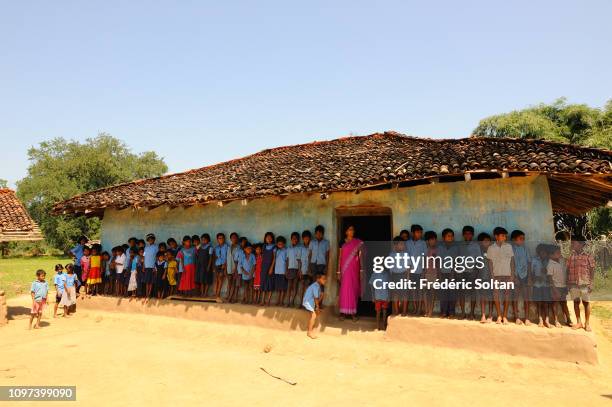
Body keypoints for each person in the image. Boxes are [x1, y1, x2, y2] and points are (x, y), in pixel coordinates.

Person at [567, 237, 596, 332]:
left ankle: (587, 323)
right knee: (576, 302)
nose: (572, 245)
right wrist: (568, 283)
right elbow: (567, 270)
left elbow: (592, 270)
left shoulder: (588, 256)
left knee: (586, 303)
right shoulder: (571, 256)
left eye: (574, 243)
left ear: (580, 244)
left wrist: (591, 283)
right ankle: (579, 322)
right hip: (573, 284)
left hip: (584, 284)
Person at [487, 227, 514, 324]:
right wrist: (492, 276)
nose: (504, 237)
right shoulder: (491, 248)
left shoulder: (509, 247)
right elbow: (489, 263)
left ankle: (505, 316)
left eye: (505, 236)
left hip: (507, 274)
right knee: (496, 294)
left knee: (507, 294)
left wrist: (512, 275)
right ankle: (499, 315)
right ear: (496, 236)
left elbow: (512, 262)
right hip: (496, 274)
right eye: (502, 235)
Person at [337, 225, 364, 322]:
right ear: (346, 232)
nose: (352, 231)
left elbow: (360, 257)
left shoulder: (358, 242)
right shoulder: (342, 243)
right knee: (344, 290)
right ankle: (343, 313)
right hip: (344, 270)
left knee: (353, 290)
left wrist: (361, 270)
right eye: (349, 229)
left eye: (353, 229)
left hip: (354, 269)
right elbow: (340, 257)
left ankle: (353, 313)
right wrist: (338, 271)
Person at [459, 226, 481, 320]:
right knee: (461, 293)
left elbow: (478, 260)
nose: (468, 235)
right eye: (466, 233)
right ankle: (463, 313)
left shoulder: (476, 246)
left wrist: (475, 272)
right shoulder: (460, 245)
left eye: (470, 233)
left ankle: (471, 313)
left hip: (472, 272)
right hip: (461, 272)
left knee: (472, 293)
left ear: (472, 235)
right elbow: (457, 259)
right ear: (463, 235)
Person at [547, 245, 571, 327]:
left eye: (559, 252)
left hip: (563, 286)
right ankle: (556, 320)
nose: (559, 253)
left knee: (564, 303)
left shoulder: (562, 261)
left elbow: (567, 269)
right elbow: (550, 279)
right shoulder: (550, 264)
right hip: (555, 287)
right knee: (555, 304)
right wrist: (554, 290)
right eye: (557, 253)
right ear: (551, 255)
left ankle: (568, 319)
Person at [511, 230, 531, 325]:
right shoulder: (511, 249)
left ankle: (527, 318)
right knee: (515, 296)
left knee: (526, 297)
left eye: (523, 239)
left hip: (525, 275)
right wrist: (514, 277)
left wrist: (530, 277)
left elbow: (529, 263)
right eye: (520, 239)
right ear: (514, 240)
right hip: (515, 276)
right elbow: (510, 264)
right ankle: (517, 317)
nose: (522, 240)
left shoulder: (525, 249)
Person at [438, 229, 459, 318]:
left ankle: (451, 312)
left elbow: (457, 261)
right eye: (448, 236)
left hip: (452, 273)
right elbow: (438, 260)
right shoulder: (439, 247)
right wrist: (439, 272)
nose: (450, 237)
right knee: (443, 293)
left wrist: (453, 272)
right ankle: (443, 311)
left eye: (452, 236)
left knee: (452, 293)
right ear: (443, 238)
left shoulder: (455, 247)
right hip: (442, 273)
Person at [406, 224, 427, 315]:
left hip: (420, 271)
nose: (420, 234)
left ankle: (419, 309)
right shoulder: (407, 243)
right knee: (413, 291)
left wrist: (424, 271)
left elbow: (425, 257)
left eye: (421, 232)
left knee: (420, 291)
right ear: (413, 233)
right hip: (410, 271)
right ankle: (415, 308)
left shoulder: (423, 243)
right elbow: (405, 256)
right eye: (418, 232)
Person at [531, 243, 551, 328]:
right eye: (541, 252)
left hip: (546, 284)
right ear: (538, 252)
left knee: (546, 303)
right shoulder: (535, 260)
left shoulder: (549, 261)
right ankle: (540, 319)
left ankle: (547, 319)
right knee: (539, 303)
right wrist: (536, 278)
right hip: (537, 284)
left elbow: (552, 273)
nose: (543, 254)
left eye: (545, 252)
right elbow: (531, 273)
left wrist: (546, 272)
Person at [302, 274, 327, 339]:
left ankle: (310, 329)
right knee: (314, 315)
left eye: (325, 279)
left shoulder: (318, 286)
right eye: (323, 279)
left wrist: (321, 297)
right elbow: (316, 299)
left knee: (321, 295)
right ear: (318, 279)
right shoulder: (315, 286)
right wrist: (317, 307)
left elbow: (317, 299)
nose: (325, 280)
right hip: (307, 302)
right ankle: (309, 332)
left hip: (311, 302)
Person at [388, 236, 408, 316]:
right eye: (401, 244)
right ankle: (396, 310)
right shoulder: (391, 255)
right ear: (395, 245)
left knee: (404, 294)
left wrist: (408, 277)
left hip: (403, 275)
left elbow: (408, 267)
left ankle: (404, 311)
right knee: (395, 294)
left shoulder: (406, 254)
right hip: (394, 276)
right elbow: (390, 267)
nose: (403, 246)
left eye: (403, 244)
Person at [477, 233, 494, 323]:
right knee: (483, 296)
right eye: (485, 241)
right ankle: (483, 314)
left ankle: (490, 315)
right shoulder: (478, 252)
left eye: (488, 241)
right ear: (480, 243)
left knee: (490, 296)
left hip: (491, 277)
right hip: (481, 276)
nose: (487, 243)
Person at [423, 231, 438, 317]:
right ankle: (426, 310)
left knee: (432, 293)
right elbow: (424, 264)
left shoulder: (436, 250)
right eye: (432, 239)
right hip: (426, 274)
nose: (434, 241)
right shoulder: (425, 250)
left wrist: (438, 276)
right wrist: (423, 274)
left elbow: (438, 264)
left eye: (435, 239)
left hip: (434, 274)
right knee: (425, 292)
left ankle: (430, 311)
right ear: (427, 241)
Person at [285, 232, 301, 307]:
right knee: (289, 286)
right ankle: (287, 302)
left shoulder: (299, 248)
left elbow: (299, 260)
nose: (294, 240)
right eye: (293, 238)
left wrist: (299, 270)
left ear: (298, 240)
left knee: (295, 286)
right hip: (290, 269)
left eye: (296, 238)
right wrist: (286, 270)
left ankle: (292, 302)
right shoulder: (289, 248)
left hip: (296, 269)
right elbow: (287, 259)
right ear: (291, 239)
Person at [261, 232, 276, 306]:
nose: (269, 239)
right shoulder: (264, 246)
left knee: (270, 283)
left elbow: (274, 258)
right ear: (265, 238)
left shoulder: (274, 247)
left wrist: (271, 268)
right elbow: (263, 257)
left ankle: (268, 301)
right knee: (263, 283)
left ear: (272, 238)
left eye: (270, 237)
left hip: (270, 267)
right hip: (264, 267)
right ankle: (262, 300)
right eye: (267, 237)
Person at [298, 230, 313, 308]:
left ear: (310, 239)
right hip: (302, 271)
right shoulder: (301, 248)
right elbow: (299, 260)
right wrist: (299, 270)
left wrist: (310, 269)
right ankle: (301, 303)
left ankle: (306, 304)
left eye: (308, 238)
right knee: (302, 287)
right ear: (303, 239)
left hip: (309, 271)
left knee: (308, 288)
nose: (306, 240)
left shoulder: (312, 247)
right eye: (305, 238)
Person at [213, 233, 229, 302]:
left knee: (220, 279)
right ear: (217, 239)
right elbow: (214, 257)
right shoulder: (216, 248)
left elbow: (227, 257)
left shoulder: (227, 247)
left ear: (224, 239)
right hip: (217, 264)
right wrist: (213, 266)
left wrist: (225, 266)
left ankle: (218, 294)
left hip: (223, 265)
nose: (221, 239)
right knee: (216, 279)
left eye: (222, 238)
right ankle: (215, 293)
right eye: (219, 238)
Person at [273, 236, 288, 306]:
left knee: (283, 288)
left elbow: (287, 261)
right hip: (277, 271)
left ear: (284, 244)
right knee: (278, 288)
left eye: (281, 244)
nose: (280, 245)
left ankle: (281, 301)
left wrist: (286, 271)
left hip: (283, 271)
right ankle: (278, 300)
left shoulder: (286, 250)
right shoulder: (276, 250)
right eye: (278, 244)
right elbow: (274, 259)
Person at [226, 232, 240, 303]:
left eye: (235, 237)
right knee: (229, 283)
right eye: (232, 237)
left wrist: (236, 269)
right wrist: (226, 268)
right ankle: (228, 296)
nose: (234, 238)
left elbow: (238, 259)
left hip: (235, 268)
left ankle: (232, 297)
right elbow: (227, 258)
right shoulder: (228, 247)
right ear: (230, 239)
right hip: (229, 267)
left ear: (237, 238)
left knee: (234, 284)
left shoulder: (239, 248)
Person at [143, 233, 159, 300]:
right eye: (149, 239)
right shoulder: (146, 248)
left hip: (153, 266)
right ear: (147, 240)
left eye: (152, 239)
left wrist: (155, 267)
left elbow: (157, 257)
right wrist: (143, 266)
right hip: (146, 266)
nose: (150, 240)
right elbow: (144, 257)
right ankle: (146, 294)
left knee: (152, 282)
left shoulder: (156, 247)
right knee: (147, 281)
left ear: (154, 240)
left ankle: (149, 294)